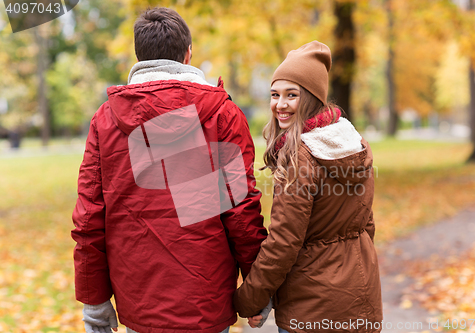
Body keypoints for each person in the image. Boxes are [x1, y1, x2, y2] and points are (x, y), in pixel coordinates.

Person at [71, 7, 267, 333]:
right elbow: (241, 209)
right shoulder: (223, 115)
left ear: (139, 56)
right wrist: (257, 288)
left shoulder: (105, 120)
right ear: (188, 54)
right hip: (206, 302)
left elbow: (90, 216)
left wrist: (94, 301)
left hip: (138, 301)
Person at [233, 41, 383, 332]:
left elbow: (283, 242)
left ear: (313, 98)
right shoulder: (353, 144)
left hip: (312, 307)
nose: (280, 104)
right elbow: (367, 224)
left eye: (292, 95)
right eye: (275, 95)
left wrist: (249, 298)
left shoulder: (300, 155)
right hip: (361, 296)